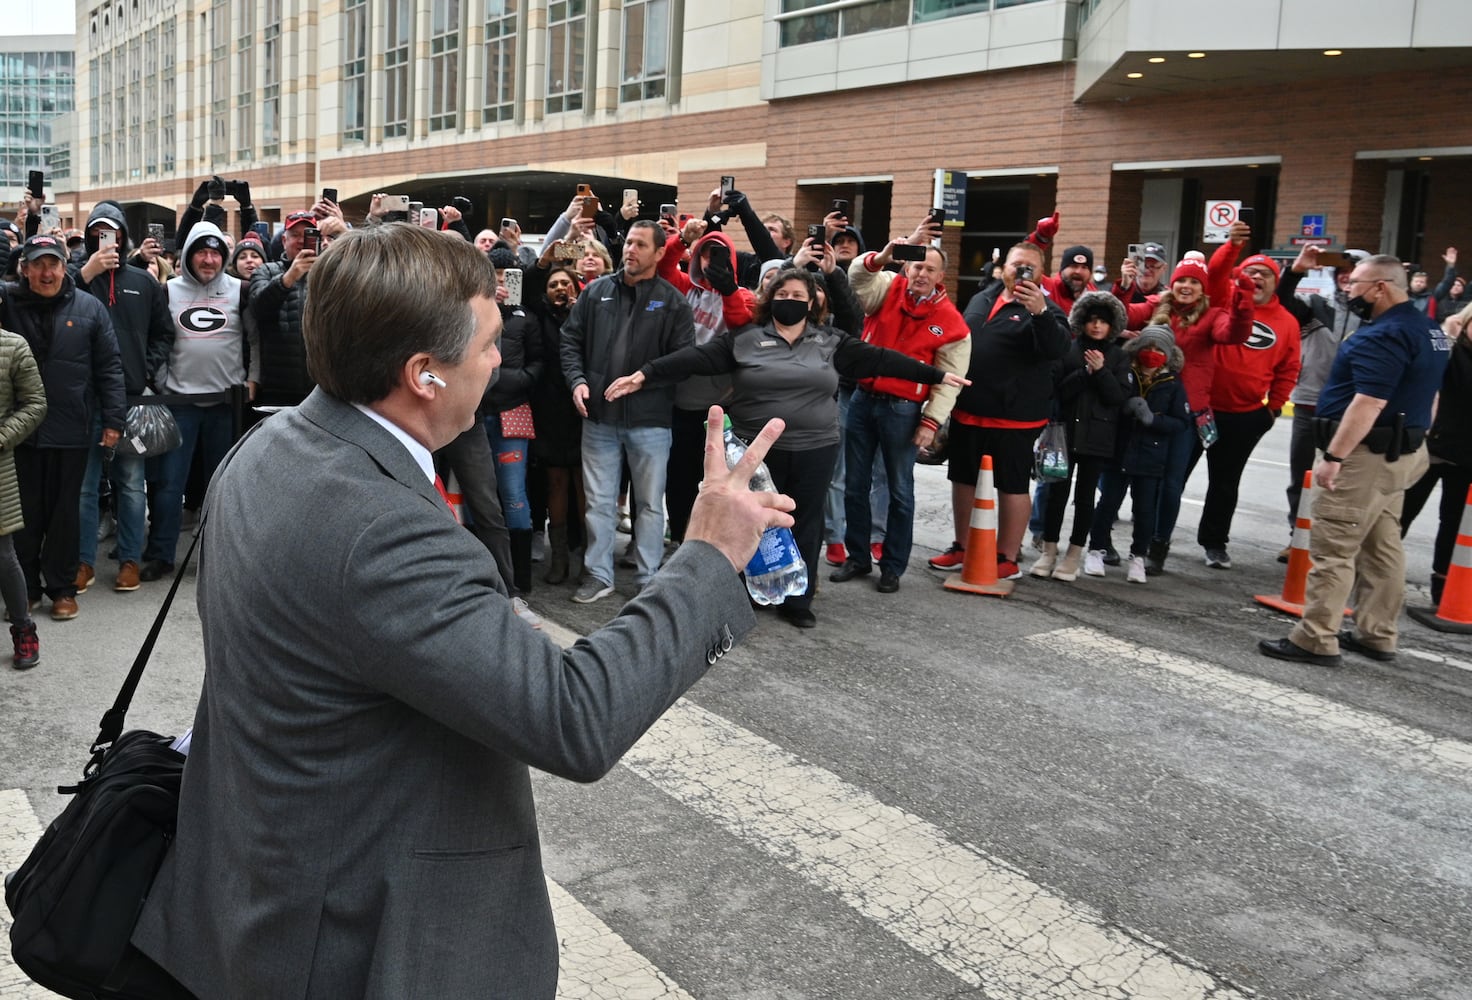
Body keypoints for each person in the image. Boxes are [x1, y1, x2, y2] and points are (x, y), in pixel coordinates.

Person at [131, 221, 795, 998]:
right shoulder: (379, 527)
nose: (497, 361)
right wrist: (709, 556)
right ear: (424, 374)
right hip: (353, 938)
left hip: (262, 890)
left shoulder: (274, 444)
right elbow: (575, 719)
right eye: (486, 345)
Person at [607, 267, 966, 627]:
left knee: (805, 523)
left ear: (812, 303)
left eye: (797, 296)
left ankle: (798, 600)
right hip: (756, 454)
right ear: (769, 299)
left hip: (816, 448)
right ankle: (747, 593)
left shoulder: (831, 341)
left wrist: (936, 376)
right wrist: (645, 374)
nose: (789, 301)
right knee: (751, 522)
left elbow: (882, 360)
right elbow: (695, 359)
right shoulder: (745, 339)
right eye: (782, 295)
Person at [1259, 255, 1451, 667]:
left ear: (1381, 287)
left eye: (1356, 284)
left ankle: (1316, 637)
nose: (1349, 291)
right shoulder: (1428, 329)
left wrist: (1334, 456)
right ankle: (1376, 632)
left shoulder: (1384, 335)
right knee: (1382, 547)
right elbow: (1431, 394)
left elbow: (1368, 402)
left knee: (1334, 549)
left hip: (1364, 457)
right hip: (1401, 451)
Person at [832, 219, 971, 593]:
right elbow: (856, 280)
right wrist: (885, 255)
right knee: (855, 485)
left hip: (903, 410)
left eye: (929, 268)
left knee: (899, 491)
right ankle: (858, 557)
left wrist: (931, 422)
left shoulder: (953, 323)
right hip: (863, 398)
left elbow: (949, 381)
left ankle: (892, 565)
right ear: (905, 267)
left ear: (941, 275)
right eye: (916, 266)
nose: (921, 273)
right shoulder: (888, 288)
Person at [560, 220, 695, 603]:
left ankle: (647, 578)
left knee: (651, 505)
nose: (630, 250)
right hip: (599, 417)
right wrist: (577, 381)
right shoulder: (597, 292)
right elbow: (570, 340)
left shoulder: (672, 301)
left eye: (640, 245)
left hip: (650, 420)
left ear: (657, 253)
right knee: (599, 502)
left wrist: (644, 377)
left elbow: (684, 360)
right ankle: (598, 575)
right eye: (628, 243)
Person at [0, 235, 126, 620]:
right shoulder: (7, 304)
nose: (46, 272)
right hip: (19, 431)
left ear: (64, 266)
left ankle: (62, 588)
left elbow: (109, 367)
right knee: (24, 516)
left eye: (53, 263)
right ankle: (27, 589)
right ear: (24, 269)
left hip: (72, 427)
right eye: (37, 264)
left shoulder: (88, 307)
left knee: (64, 515)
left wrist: (114, 419)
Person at [930, 240, 1068, 580]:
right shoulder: (984, 296)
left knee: (1012, 486)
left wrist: (1040, 312)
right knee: (962, 479)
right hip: (969, 409)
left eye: (1030, 268)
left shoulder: (1048, 309)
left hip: (1015, 417)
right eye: (1016, 265)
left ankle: (1007, 556)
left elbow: (1058, 349)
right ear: (1003, 267)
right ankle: (962, 546)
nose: (1021, 272)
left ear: (1040, 274)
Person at [141, 222, 255, 581]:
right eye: (201, 252)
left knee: (222, 486)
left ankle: (219, 555)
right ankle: (161, 553)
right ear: (188, 255)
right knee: (169, 485)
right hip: (179, 403)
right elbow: (156, 339)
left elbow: (255, 340)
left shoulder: (241, 291)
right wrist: (160, 383)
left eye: (216, 252)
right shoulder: (167, 291)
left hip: (225, 403)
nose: (209, 260)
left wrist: (254, 379)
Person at [71, 202, 175, 594]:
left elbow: (165, 332)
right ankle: (84, 563)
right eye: (97, 233)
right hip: (84, 397)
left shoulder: (143, 281)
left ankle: (129, 558)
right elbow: (49, 308)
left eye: (110, 232)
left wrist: (145, 368)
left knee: (132, 483)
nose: (104, 240)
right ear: (88, 237)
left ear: (123, 237)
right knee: (85, 486)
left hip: (131, 398)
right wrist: (86, 272)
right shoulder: (76, 278)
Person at [1031, 291, 1131, 581]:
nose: (1097, 327)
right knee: (1055, 494)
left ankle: (1074, 555)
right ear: (1082, 322)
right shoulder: (1069, 350)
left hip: (1098, 438)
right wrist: (1084, 373)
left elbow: (1118, 398)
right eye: (1092, 321)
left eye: (1103, 322)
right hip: (1063, 434)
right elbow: (1057, 391)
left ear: (1113, 325)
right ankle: (1049, 550)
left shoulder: (1119, 356)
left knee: (1085, 498)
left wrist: (1101, 372)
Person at [1087, 325, 1190, 582]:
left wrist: (1152, 420)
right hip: (1118, 452)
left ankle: (1138, 557)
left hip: (1151, 457)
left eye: (1158, 350)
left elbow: (1180, 422)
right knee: (1107, 504)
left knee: (1145, 510)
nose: (1152, 353)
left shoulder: (1173, 383)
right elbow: (1110, 400)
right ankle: (1095, 550)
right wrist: (1125, 408)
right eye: (1148, 348)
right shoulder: (1126, 371)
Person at [1399, 301, 1472, 606]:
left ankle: (1443, 588)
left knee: (1455, 525)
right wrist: (1449, 332)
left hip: (1466, 456)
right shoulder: (1451, 349)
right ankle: (1367, 573)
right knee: (1400, 513)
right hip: (1431, 446)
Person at [0, 328, 47, 666]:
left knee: (3, 554)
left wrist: (2, 437)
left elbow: (35, 404)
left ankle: (23, 628)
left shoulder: (13, 345)